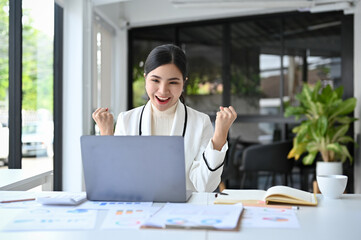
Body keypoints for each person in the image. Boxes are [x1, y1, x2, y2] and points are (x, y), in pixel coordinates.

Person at [92, 44, 237, 192]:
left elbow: (205, 186)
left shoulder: (200, 122)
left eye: (173, 82)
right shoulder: (127, 120)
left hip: (185, 211)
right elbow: (114, 180)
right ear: (145, 78)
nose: (163, 91)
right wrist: (106, 136)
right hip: (140, 209)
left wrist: (220, 135)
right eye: (155, 80)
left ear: (184, 83)